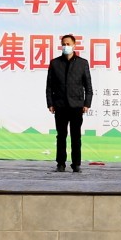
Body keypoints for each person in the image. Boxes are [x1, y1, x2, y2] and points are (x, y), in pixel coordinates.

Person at [46, 34, 93, 173]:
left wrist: (87, 103)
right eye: (63, 44)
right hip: (60, 105)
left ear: (74, 45)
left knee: (76, 136)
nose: (65, 46)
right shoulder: (55, 63)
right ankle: (60, 164)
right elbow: (49, 86)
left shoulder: (82, 63)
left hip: (76, 105)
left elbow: (88, 86)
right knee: (61, 136)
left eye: (68, 44)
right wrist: (50, 103)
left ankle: (76, 164)